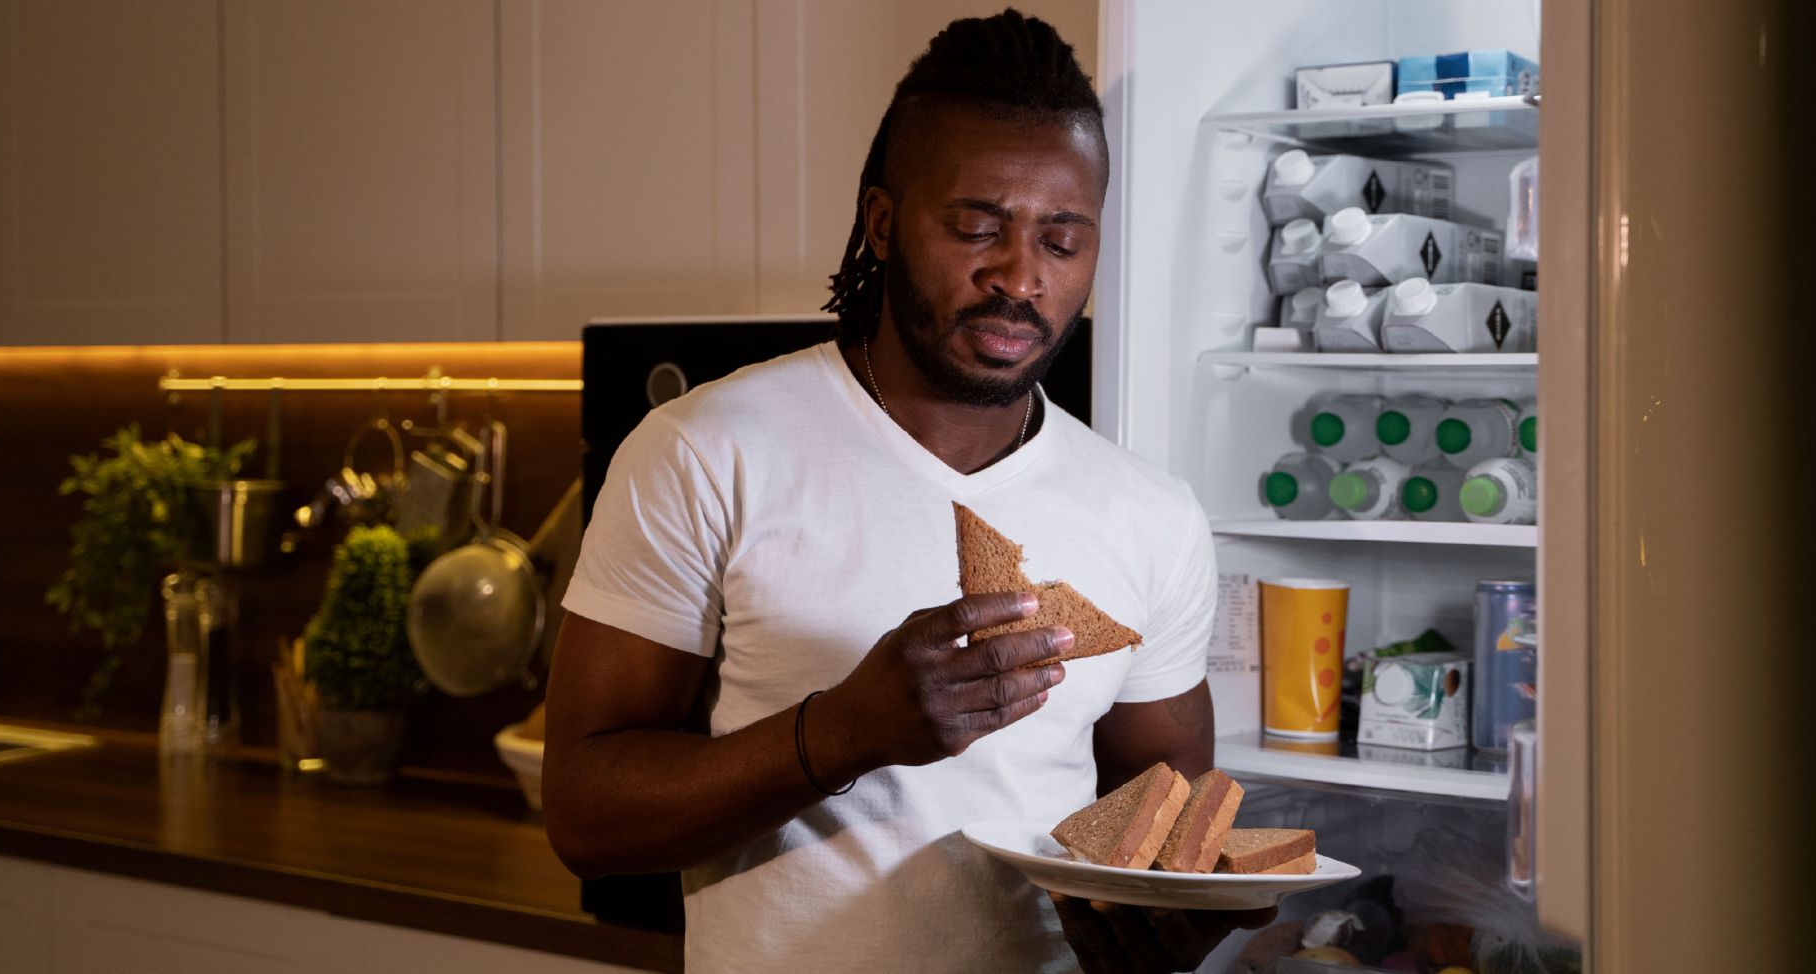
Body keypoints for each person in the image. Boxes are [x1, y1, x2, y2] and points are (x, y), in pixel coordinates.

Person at [541, 10, 1273, 972]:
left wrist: (1171, 915)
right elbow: (587, 816)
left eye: (1063, 240)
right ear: (882, 223)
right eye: (976, 227)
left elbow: (1164, 816)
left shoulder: (1151, 512)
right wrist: (842, 733)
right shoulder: (706, 451)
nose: (1021, 277)